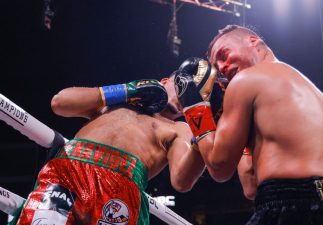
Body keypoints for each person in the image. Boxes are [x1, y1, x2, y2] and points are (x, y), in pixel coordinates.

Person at [173, 25, 323, 225]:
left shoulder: (245, 81)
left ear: (253, 41)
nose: (222, 67)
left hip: (293, 209)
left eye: (224, 54)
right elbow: (251, 187)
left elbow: (219, 166)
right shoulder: (311, 90)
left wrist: (195, 107)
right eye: (217, 65)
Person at [16, 76, 205, 225]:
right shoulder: (118, 102)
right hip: (67, 172)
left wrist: (204, 129)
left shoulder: (179, 128)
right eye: (183, 84)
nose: (184, 95)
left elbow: (182, 181)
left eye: (196, 93)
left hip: (119, 188)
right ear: (165, 82)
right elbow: (59, 103)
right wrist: (126, 90)